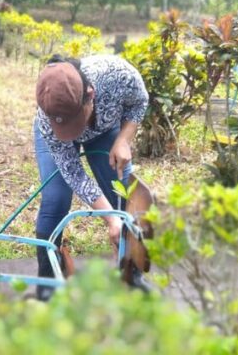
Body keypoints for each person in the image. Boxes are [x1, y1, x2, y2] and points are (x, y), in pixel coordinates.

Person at [33, 54, 149, 300]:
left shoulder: (117, 75)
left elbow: (140, 102)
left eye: (76, 121)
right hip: (57, 143)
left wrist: (123, 139)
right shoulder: (48, 120)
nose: (73, 131)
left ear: (91, 94)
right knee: (55, 199)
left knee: (124, 194)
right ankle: (47, 280)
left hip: (105, 131)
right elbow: (74, 172)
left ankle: (132, 273)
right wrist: (110, 219)